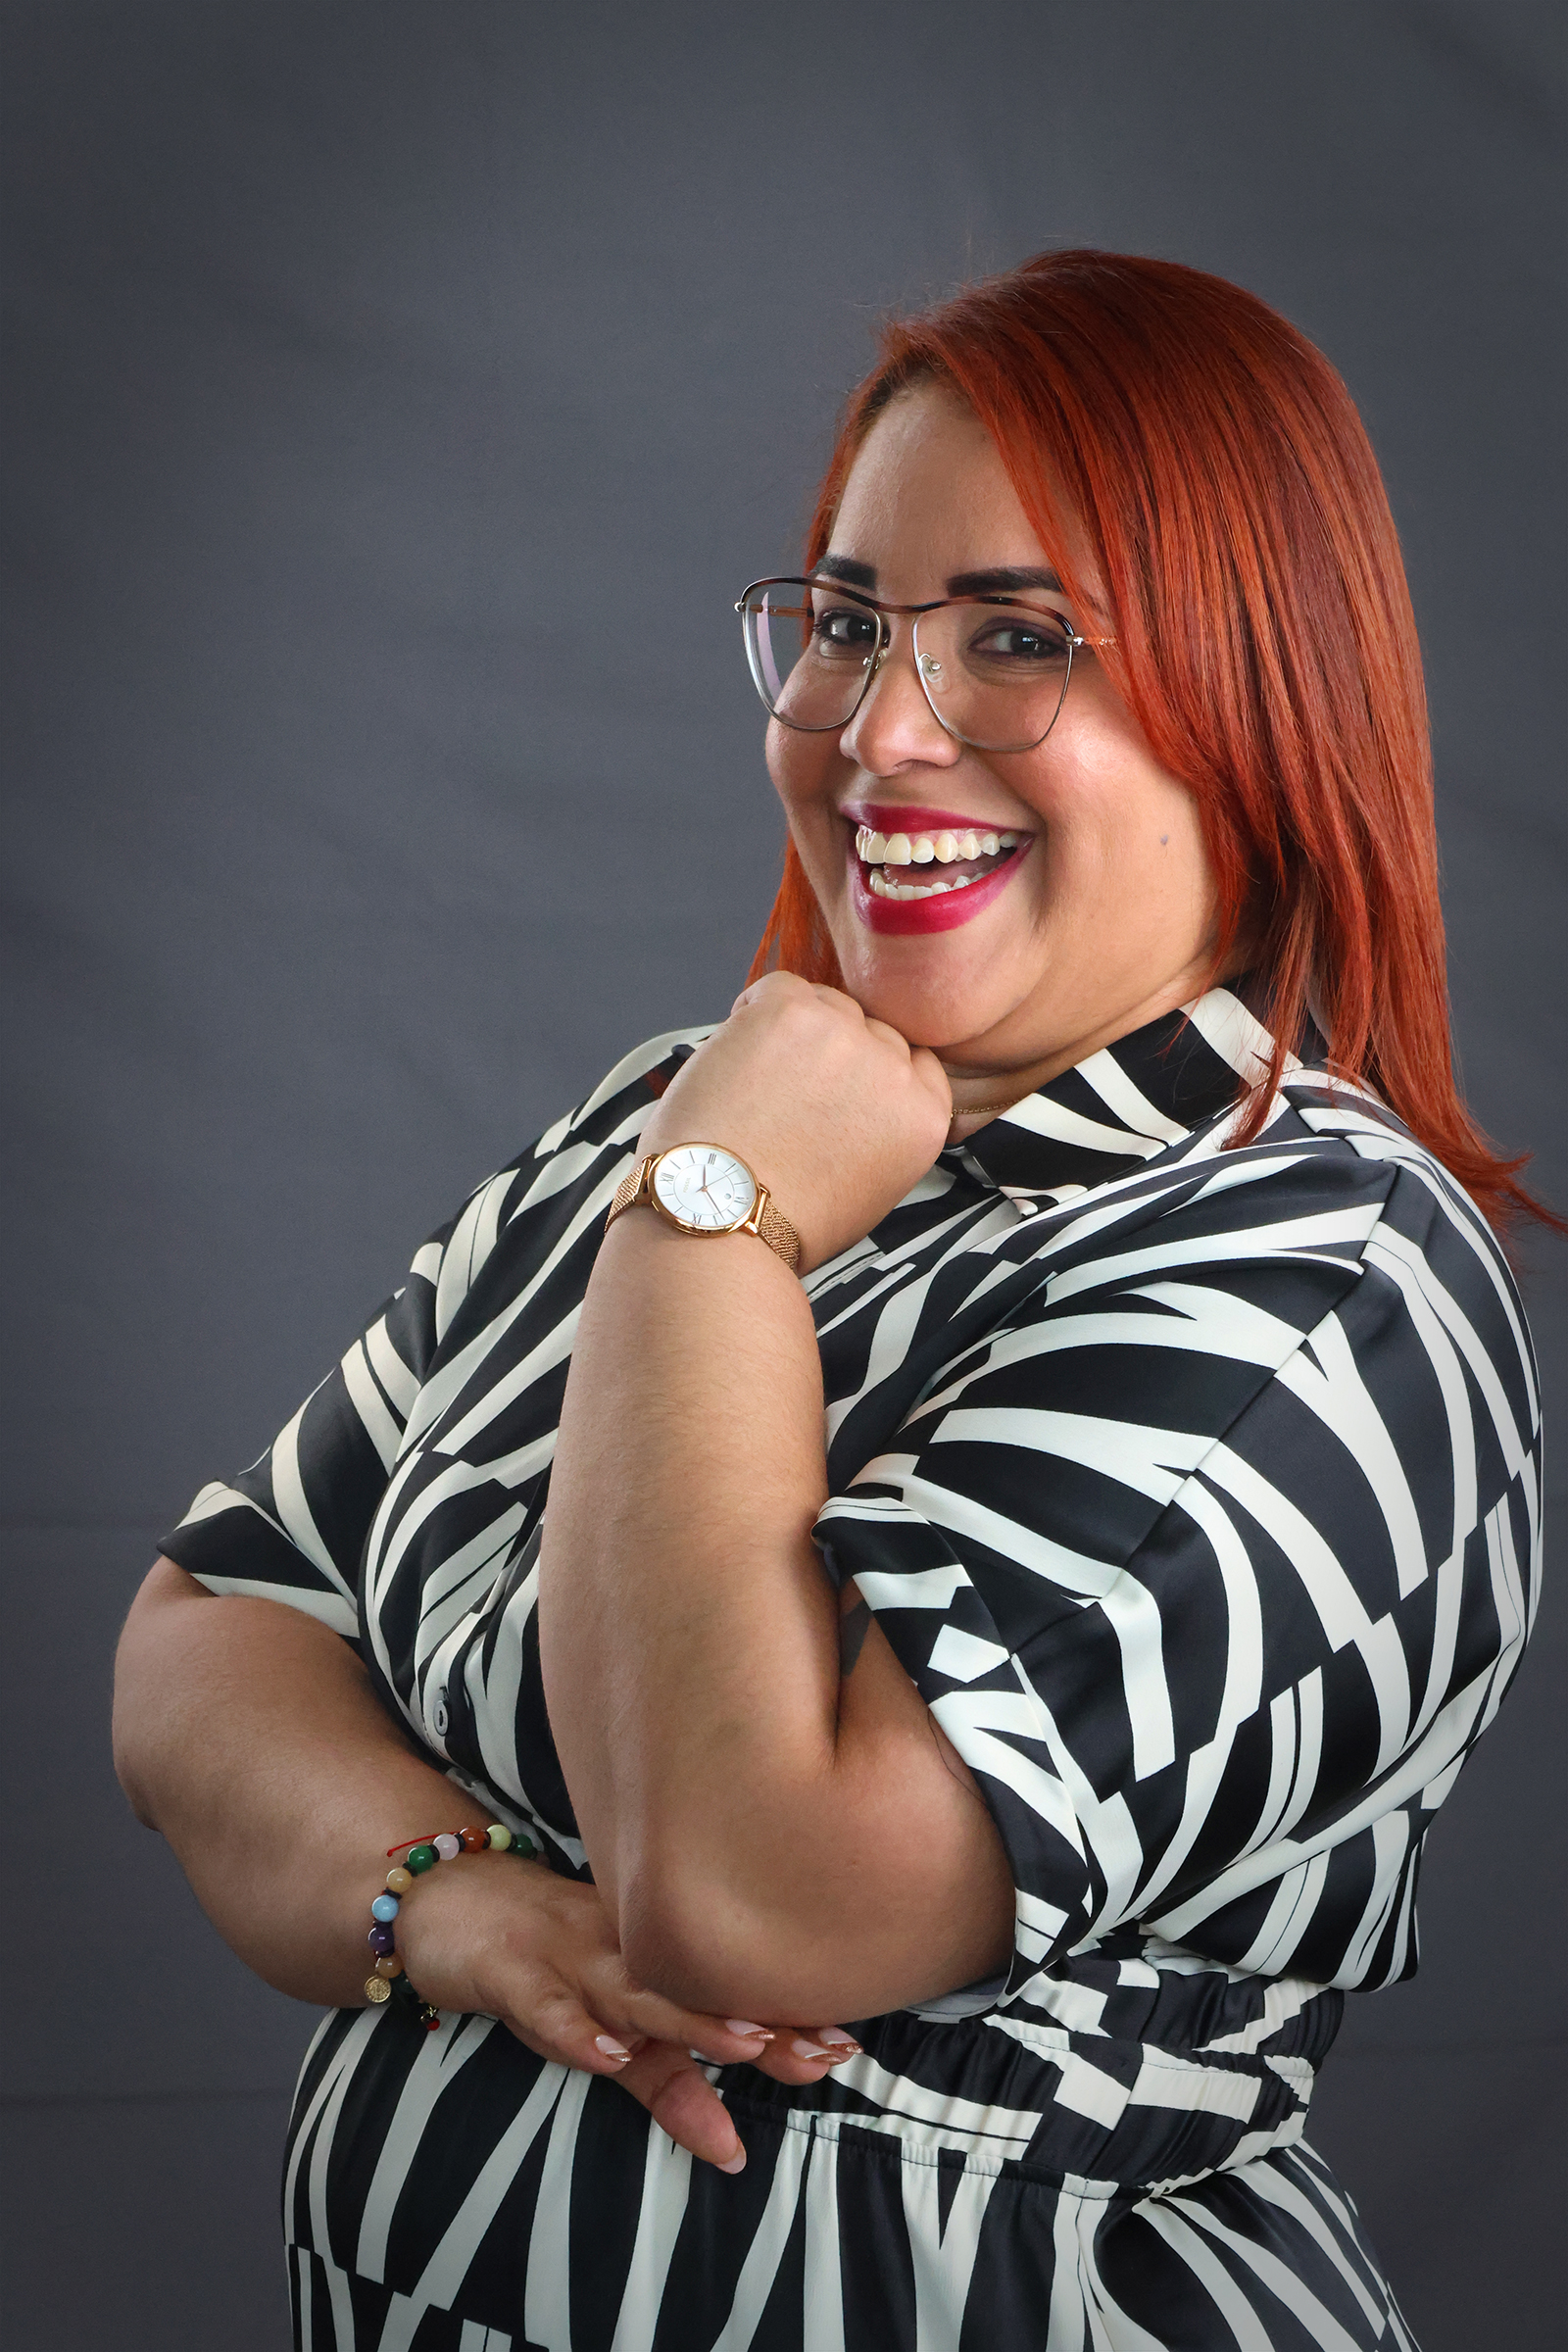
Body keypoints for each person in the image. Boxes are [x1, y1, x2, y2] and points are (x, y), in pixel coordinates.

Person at [113, 250, 1546, 2352]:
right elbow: (205, 1639)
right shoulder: (686, 1119)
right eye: (853, 624)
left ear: (1260, 706)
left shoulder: (1321, 1282)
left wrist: (714, 1225)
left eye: (1019, 640)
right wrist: (454, 1903)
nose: (878, 732)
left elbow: (754, 1899)